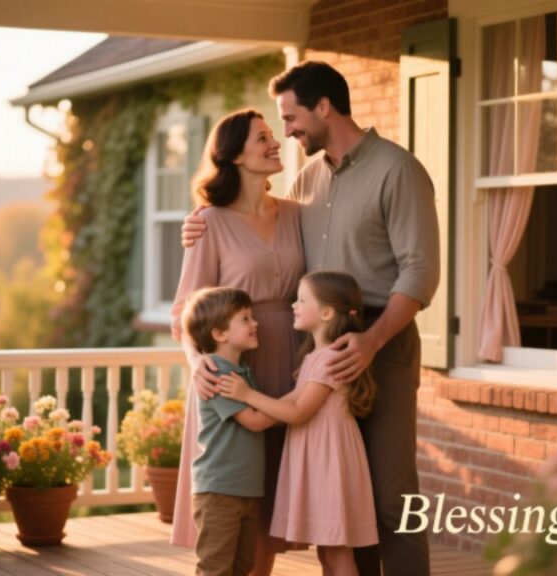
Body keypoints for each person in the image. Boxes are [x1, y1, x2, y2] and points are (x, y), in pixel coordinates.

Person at [183, 61, 440, 576]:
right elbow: (255, 227)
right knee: (347, 494)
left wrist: (370, 340)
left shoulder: (397, 169)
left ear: (323, 107)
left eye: (291, 116)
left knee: (391, 495)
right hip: (315, 348)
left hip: (380, 337)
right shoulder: (306, 180)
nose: (287, 131)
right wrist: (202, 220)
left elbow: (421, 271)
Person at [170, 108, 307, 575]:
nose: (275, 143)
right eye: (262, 138)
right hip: (234, 372)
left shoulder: (296, 214)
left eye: (274, 134)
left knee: (268, 501)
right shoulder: (208, 222)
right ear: (233, 156)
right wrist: (197, 363)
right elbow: (184, 313)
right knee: (238, 494)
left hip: (291, 364)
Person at [218, 271, 378, 576]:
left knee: (338, 553)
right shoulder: (314, 356)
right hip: (318, 454)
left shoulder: (331, 359)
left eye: (302, 300)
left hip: (329, 459)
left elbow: (299, 412)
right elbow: (292, 399)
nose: (294, 305)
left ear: (327, 312)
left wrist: (247, 394)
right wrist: (255, 416)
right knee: (327, 554)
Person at [181, 287, 280, 576]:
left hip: (245, 489)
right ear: (219, 334)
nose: (255, 323)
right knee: (215, 568)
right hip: (219, 491)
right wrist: (291, 411)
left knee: (242, 566)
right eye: (245, 319)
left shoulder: (242, 372)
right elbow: (254, 421)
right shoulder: (219, 374)